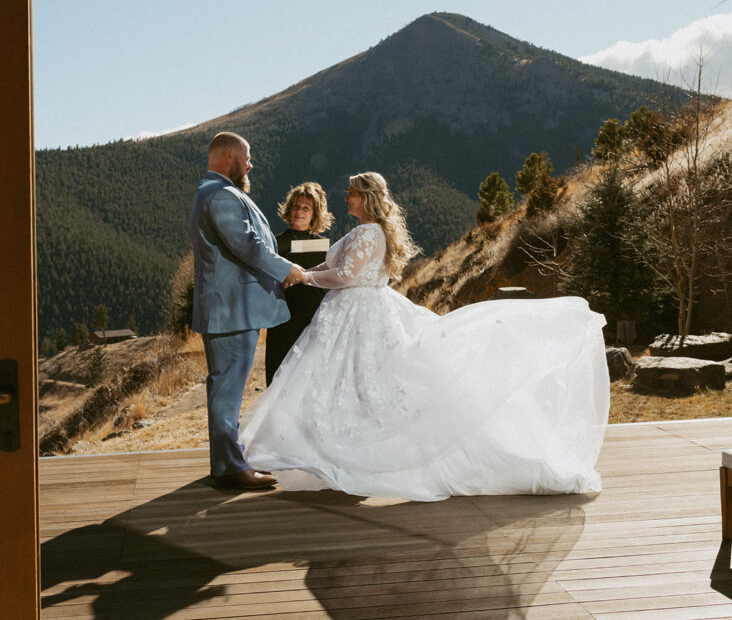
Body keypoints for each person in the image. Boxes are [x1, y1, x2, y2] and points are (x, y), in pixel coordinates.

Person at [240, 171, 610, 502]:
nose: (347, 197)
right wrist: (302, 269)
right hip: (348, 313)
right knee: (351, 386)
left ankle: (361, 455)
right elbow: (332, 266)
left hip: (359, 314)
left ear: (366, 198)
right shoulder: (362, 230)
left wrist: (304, 277)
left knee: (366, 384)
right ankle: (337, 451)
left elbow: (348, 276)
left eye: (352, 192)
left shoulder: (369, 232)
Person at [190, 131, 305, 491]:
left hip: (230, 310)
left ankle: (228, 462)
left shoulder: (215, 192)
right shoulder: (221, 196)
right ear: (228, 156)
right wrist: (287, 270)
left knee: (225, 389)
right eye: (247, 156)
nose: (250, 163)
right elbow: (248, 246)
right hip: (231, 312)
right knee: (226, 390)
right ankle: (228, 469)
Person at [265, 182, 334, 386]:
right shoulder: (274, 243)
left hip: (314, 315)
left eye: (305, 208)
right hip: (283, 315)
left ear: (315, 213)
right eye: (295, 206)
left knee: (310, 374)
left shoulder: (325, 246)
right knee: (280, 372)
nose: (299, 212)